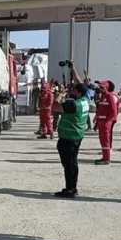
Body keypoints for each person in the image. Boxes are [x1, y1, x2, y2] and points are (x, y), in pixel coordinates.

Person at [54, 63, 90, 198]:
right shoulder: (85, 99)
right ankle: (72, 187)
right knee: (73, 163)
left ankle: (70, 189)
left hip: (68, 138)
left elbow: (55, 107)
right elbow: (80, 83)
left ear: (78, 93)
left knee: (69, 165)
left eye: (74, 90)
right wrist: (73, 68)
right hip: (77, 136)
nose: (71, 91)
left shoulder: (73, 104)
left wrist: (60, 94)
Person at [94, 80, 119, 165]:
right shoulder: (103, 96)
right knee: (102, 140)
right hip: (101, 123)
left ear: (106, 88)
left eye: (102, 87)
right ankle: (104, 157)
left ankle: (107, 159)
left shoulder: (110, 96)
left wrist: (107, 122)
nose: (100, 89)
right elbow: (100, 110)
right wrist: (97, 121)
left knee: (105, 141)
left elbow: (113, 112)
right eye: (100, 87)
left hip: (105, 123)